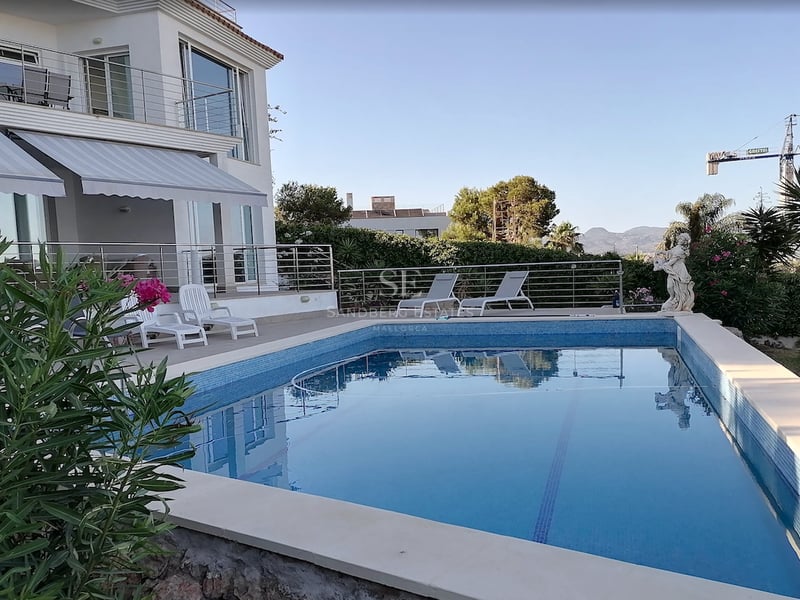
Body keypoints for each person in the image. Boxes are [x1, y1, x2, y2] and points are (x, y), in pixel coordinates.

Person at [654, 233, 695, 312]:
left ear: (685, 242)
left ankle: (679, 304)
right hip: (673, 269)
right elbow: (670, 252)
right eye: (679, 239)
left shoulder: (680, 251)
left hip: (679, 270)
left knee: (680, 289)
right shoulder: (677, 248)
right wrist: (662, 252)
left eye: (682, 239)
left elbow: (672, 261)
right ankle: (672, 297)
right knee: (670, 286)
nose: (679, 240)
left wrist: (661, 266)